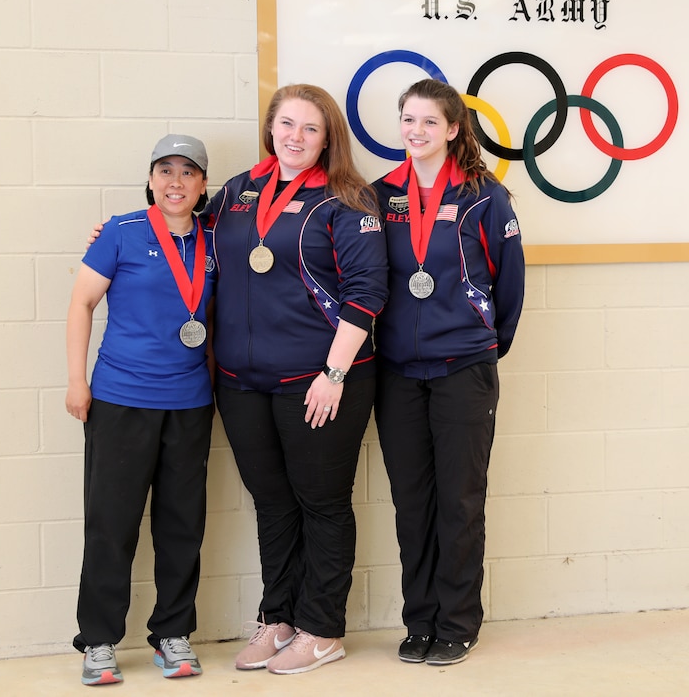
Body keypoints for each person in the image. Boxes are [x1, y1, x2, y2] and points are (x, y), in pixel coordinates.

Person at [206, 83, 388, 675]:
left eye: (311, 128)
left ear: (328, 137)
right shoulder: (237, 191)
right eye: (286, 124)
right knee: (272, 503)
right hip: (242, 382)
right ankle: (278, 617)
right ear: (270, 128)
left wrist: (334, 372)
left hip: (321, 380)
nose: (295, 137)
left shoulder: (347, 198)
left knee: (322, 503)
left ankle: (323, 627)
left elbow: (366, 294)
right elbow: (189, 237)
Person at [370, 79, 525, 666]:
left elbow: (509, 282)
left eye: (429, 122)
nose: (416, 131)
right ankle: (420, 619)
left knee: (459, 501)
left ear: (454, 129)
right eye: (408, 120)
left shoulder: (486, 196)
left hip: (463, 367)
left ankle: (458, 621)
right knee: (412, 503)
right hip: (398, 373)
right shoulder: (382, 195)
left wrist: (484, 342)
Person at [66, 134, 216, 686]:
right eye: (165, 170)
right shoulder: (121, 233)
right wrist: (76, 381)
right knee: (111, 523)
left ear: (203, 185)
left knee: (182, 525)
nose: (175, 182)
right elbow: (81, 303)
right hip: (120, 399)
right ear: (150, 179)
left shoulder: (215, 239)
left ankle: (173, 633)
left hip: (190, 403)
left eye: (188, 172)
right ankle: (99, 640)